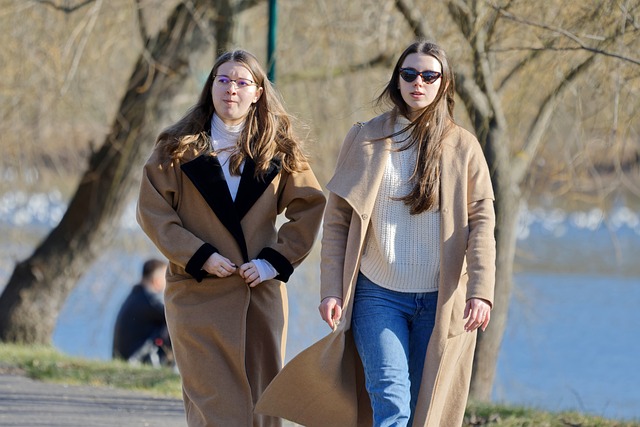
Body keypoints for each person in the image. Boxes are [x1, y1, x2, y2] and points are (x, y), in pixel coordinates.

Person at [256, 40, 496, 427]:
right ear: (397, 80)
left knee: (423, 407)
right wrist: (332, 289)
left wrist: (481, 291)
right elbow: (337, 220)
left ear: (444, 84)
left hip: (440, 300)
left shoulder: (464, 147)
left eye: (429, 75)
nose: (418, 82)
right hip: (376, 294)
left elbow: (482, 222)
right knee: (391, 401)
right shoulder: (366, 138)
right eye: (409, 74)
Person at [136, 49, 326, 427]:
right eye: (222, 80)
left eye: (242, 82)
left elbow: (309, 206)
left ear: (257, 92)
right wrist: (199, 255)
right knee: (216, 408)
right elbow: (154, 214)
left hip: (260, 295)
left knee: (263, 405)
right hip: (196, 294)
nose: (231, 90)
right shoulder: (176, 147)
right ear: (210, 87)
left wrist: (273, 262)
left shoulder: (281, 149)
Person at [112, 258, 171, 367]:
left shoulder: (136, 296)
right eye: (166, 277)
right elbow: (175, 316)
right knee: (173, 323)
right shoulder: (150, 301)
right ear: (156, 280)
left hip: (124, 357)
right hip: (135, 360)